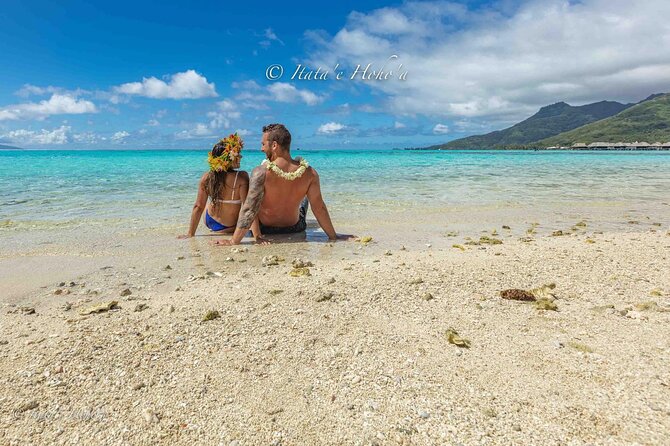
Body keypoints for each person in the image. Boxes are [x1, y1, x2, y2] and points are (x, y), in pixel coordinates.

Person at [214, 123, 354, 245]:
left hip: (265, 229)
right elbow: (319, 208)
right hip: (295, 227)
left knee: (253, 197)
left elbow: (249, 209)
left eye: (263, 144)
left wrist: (234, 241)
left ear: (274, 145)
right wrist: (333, 236)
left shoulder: (260, 172)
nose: (262, 149)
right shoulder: (310, 173)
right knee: (304, 199)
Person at [178, 133, 264, 241]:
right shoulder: (241, 177)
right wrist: (257, 236)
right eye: (237, 155)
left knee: (207, 204)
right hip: (230, 226)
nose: (240, 157)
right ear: (228, 159)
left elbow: (198, 207)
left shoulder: (207, 177)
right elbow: (248, 207)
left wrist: (190, 234)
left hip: (210, 221)